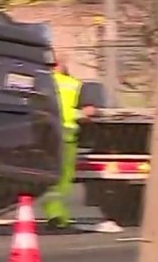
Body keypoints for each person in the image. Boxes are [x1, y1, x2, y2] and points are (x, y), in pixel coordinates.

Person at [43, 56, 97, 231]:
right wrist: (79, 115)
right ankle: (56, 215)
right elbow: (89, 112)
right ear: (63, 66)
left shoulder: (40, 81)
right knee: (63, 179)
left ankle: (55, 213)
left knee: (47, 177)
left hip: (43, 136)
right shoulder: (74, 84)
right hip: (66, 137)